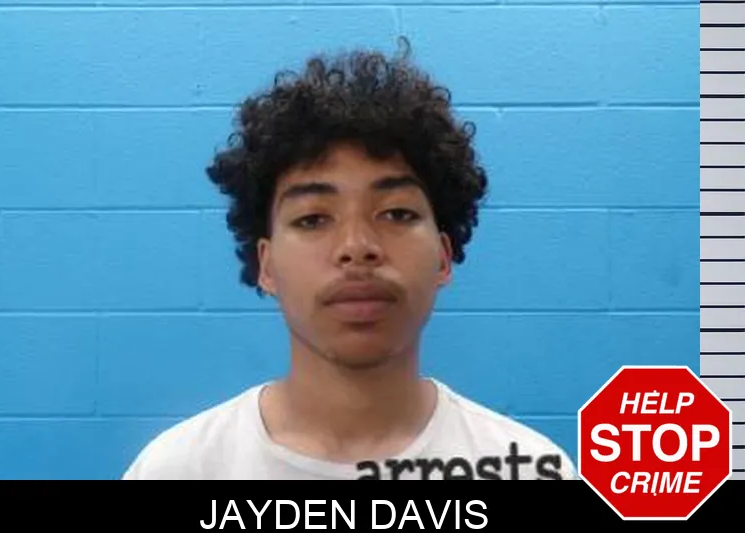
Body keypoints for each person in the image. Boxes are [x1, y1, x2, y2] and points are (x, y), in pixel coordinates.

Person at [122, 40, 576, 480]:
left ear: (443, 257)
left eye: (397, 213)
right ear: (267, 265)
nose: (357, 246)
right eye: (313, 219)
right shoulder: (179, 470)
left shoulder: (529, 470)